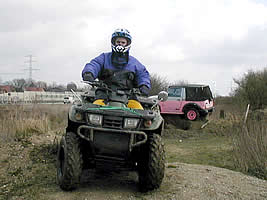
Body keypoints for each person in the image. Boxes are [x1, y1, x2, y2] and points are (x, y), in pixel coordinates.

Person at [81, 28, 151, 109]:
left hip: (129, 97)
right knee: (93, 109)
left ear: (127, 44)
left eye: (123, 42)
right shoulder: (104, 58)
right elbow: (94, 64)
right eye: (118, 42)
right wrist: (89, 73)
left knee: (141, 113)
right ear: (113, 42)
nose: (120, 44)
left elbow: (143, 74)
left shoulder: (134, 63)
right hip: (103, 95)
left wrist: (144, 85)